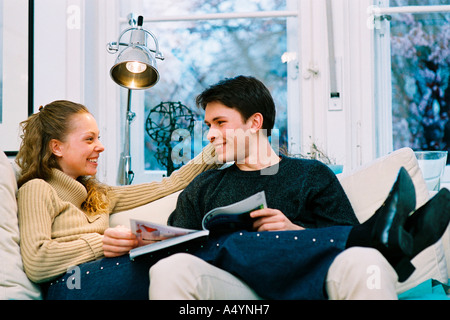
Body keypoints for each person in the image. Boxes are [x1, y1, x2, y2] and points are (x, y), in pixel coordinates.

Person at [149, 75, 450, 300]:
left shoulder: (310, 175)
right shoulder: (204, 186)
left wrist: (296, 232)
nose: (210, 134)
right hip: (237, 292)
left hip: (308, 284)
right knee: (171, 268)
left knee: (367, 259)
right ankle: (381, 235)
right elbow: (176, 250)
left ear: (255, 123)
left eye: (219, 122)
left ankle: (380, 240)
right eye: (208, 125)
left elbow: (345, 244)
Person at [15, 100, 218, 300]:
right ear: (57, 147)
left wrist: (217, 146)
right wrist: (102, 244)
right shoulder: (37, 189)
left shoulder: (99, 194)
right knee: (173, 268)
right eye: (89, 139)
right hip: (70, 284)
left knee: (185, 258)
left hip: (104, 273)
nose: (100, 147)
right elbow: (37, 261)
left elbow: (170, 184)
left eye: (98, 138)